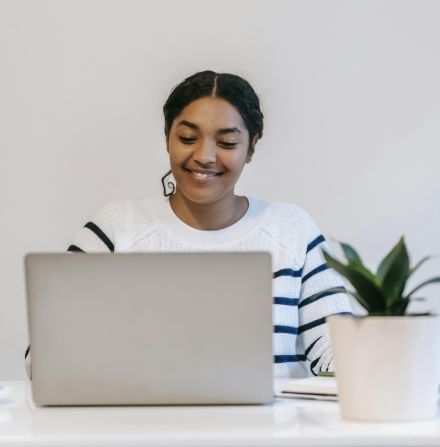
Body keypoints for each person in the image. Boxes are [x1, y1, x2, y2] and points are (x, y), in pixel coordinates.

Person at [25, 70, 352, 380]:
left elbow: (339, 353)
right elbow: (44, 356)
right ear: (167, 138)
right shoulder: (115, 228)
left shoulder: (291, 229)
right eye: (187, 137)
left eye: (226, 143)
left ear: (252, 147)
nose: (205, 156)